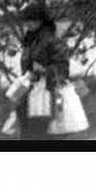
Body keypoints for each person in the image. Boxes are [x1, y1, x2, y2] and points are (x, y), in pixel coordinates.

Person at [12, 10, 71, 140]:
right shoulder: (30, 39)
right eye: (27, 21)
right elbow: (27, 66)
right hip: (30, 90)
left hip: (48, 91)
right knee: (25, 125)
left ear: (41, 21)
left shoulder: (52, 39)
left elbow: (62, 68)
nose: (28, 24)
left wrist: (43, 71)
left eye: (32, 20)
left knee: (41, 128)